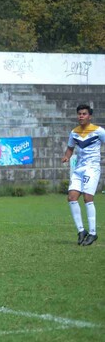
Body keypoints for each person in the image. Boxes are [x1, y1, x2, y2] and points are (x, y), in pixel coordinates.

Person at [62, 104, 105, 246]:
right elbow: (70, 148)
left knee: (87, 198)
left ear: (90, 116)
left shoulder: (98, 131)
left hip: (92, 168)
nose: (81, 116)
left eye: (84, 113)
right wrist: (67, 156)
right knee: (72, 197)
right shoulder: (74, 132)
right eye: (79, 113)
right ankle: (81, 231)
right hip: (79, 168)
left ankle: (93, 233)